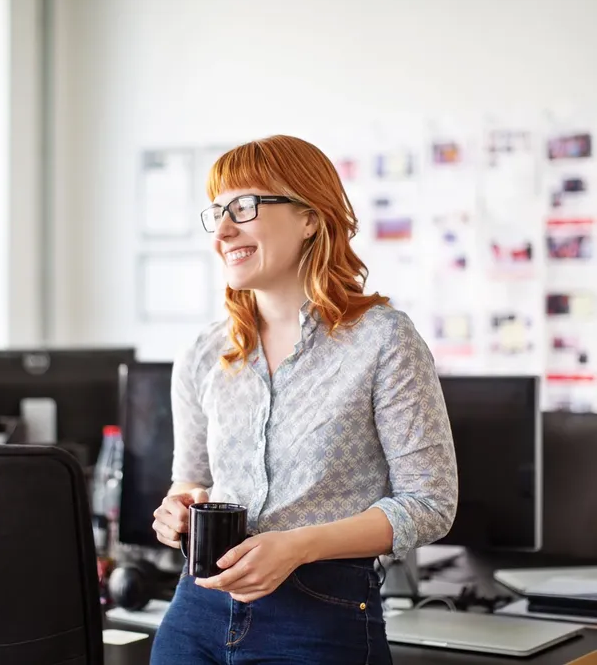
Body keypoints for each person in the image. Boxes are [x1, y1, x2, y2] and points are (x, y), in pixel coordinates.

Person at [150, 135, 458, 664]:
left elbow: (429, 505)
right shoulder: (204, 353)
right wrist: (176, 510)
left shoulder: (383, 340)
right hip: (195, 614)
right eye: (217, 212)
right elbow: (190, 481)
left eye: (243, 207)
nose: (223, 230)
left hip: (320, 614)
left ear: (310, 216)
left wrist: (297, 545)